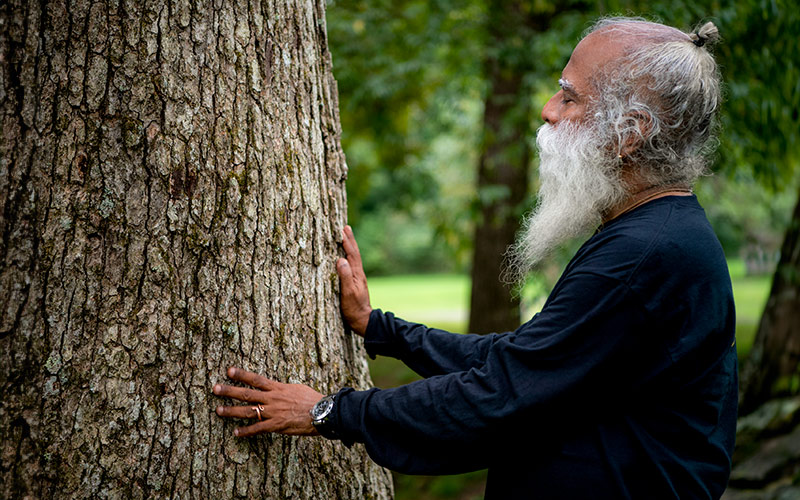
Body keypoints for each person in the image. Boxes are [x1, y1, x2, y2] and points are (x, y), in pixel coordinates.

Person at [212, 17, 737, 499]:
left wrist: (328, 411)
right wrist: (381, 329)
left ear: (630, 132)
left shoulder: (645, 255)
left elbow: (500, 395)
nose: (547, 110)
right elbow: (531, 359)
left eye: (569, 97)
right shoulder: (654, 233)